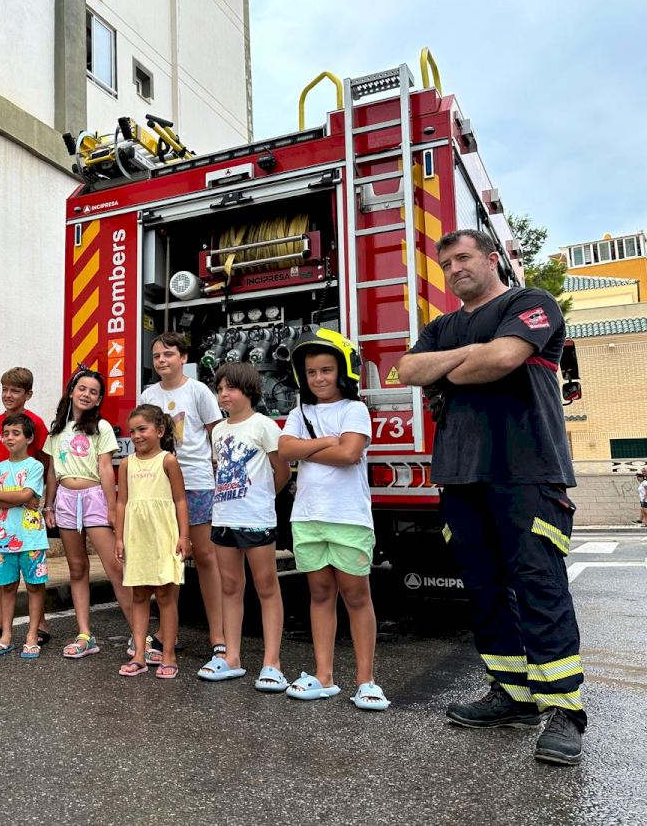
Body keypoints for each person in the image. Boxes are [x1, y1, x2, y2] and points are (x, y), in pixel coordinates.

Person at [398, 228, 585, 765]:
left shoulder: (531, 303)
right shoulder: (442, 326)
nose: (455, 269)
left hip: (527, 471)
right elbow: (408, 369)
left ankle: (564, 710)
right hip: (461, 475)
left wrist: (451, 366)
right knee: (483, 590)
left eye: (464, 257)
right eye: (446, 264)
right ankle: (512, 695)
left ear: (492, 258)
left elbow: (502, 359)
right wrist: (467, 355)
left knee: (539, 587)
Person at [278, 328, 390, 712]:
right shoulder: (300, 413)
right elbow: (285, 449)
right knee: (320, 594)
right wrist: (329, 442)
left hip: (348, 518)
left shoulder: (354, 409)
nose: (319, 378)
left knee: (356, 596)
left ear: (342, 371)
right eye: (311, 372)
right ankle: (323, 677)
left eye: (326, 370)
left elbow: (349, 454)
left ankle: (366, 681)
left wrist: (308, 449)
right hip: (307, 517)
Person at [199, 362, 290, 691]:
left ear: (249, 390)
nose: (224, 394)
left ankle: (272, 662)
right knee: (230, 586)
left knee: (266, 586)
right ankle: (232, 657)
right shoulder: (218, 431)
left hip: (256, 518)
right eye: (220, 389)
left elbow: (282, 472)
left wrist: (263, 498)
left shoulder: (264, 425)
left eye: (231, 388)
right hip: (224, 517)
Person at [139, 332, 225, 665]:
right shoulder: (149, 394)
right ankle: (166, 633)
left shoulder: (199, 391)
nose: (162, 360)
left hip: (197, 482)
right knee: (168, 559)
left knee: (205, 556)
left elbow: (217, 434)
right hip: (159, 485)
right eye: (157, 356)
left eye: (169, 354)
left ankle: (218, 635)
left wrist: (219, 473)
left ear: (183, 357)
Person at [42, 368, 133, 659]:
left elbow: (106, 468)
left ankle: (139, 633)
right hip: (65, 501)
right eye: (82, 388)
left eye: (93, 392)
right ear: (71, 391)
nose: (86, 394)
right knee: (77, 568)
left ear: (98, 400)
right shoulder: (57, 430)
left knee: (115, 567)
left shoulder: (101, 427)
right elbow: (52, 471)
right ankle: (85, 634)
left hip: (94, 497)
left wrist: (111, 507)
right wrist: (48, 505)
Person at [114, 404, 190, 679]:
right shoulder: (126, 463)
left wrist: (184, 536)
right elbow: (122, 502)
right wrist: (119, 537)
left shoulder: (168, 461)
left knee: (166, 595)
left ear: (159, 431)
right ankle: (139, 655)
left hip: (163, 535)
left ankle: (169, 654)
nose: (136, 436)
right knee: (139, 594)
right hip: (137, 537)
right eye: (132, 431)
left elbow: (180, 500)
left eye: (142, 429)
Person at [0, 367, 51, 644]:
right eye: (4, 389)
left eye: (15, 391)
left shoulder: (36, 423)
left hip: (24, 501)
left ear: (27, 394)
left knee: (32, 573)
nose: (8, 395)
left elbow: (44, 462)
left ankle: (40, 623)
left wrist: (38, 498)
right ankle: (0, 619)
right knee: (1, 558)